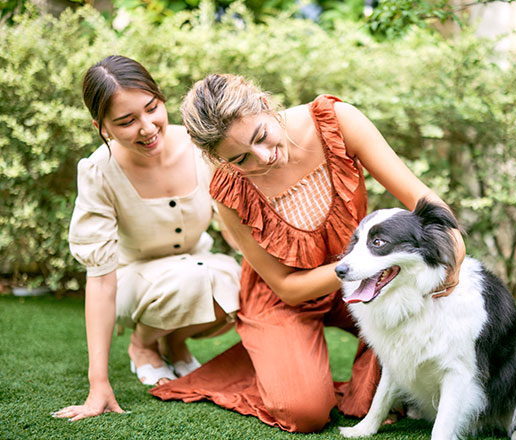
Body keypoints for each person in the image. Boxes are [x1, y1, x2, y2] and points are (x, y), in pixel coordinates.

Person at [150, 74, 466, 433]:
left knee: (402, 371)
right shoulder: (227, 188)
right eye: (240, 158)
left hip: (366, 279)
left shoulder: (337, 121)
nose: (263, 158)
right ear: (221, 160)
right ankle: (272, 363)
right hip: (288, 297)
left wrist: (454, 252)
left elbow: (423, 201)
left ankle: (306, 367)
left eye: (261, 137)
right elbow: (286, 286)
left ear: (266, 106)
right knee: (304, 411)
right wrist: (354, 268)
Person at [52, 56, 241, 421]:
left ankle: (175, 342)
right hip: (133, 281)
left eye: (152, 108)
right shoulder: (98, 172)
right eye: (126, 122)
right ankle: (142, 344)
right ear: (102, 127)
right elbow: (101, 281)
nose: (147, 127)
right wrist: (98, 384)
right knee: (190, 279)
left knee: (238, 282)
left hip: (196, 264)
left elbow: (234, 227)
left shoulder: (201, 146)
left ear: (160, 97)